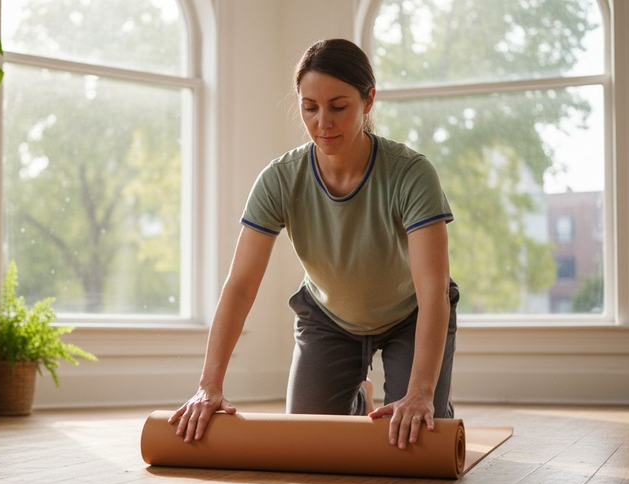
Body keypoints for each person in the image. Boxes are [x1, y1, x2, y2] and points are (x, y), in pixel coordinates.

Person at [169, 38, 459, 450]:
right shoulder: (280, 179)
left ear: (368, 100)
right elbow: (240, 285)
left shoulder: (412, 174)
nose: (323, 121)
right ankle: (357, 401)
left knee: (416, 437)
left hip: (410, 315)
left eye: (338, 107)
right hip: (328, 318)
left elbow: (433, 290)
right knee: (306, 440)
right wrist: (208, 386)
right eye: (310, 107)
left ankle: (430, 397)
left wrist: (421, 395)